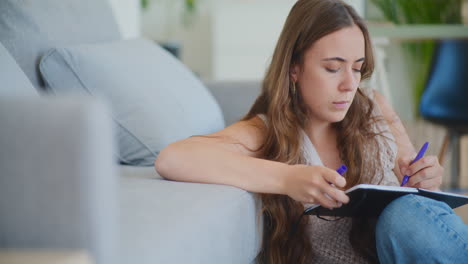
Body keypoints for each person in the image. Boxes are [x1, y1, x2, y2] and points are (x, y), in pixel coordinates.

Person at [155, 0, 468, 263]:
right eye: (333, 68)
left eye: (357, 68)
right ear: (294, 67)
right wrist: (287, 178)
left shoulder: (374, 109)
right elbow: (173, 158)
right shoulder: (266, 132)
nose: (349, 84)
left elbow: (416, 187)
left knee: (407, 212)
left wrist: (426, 177)